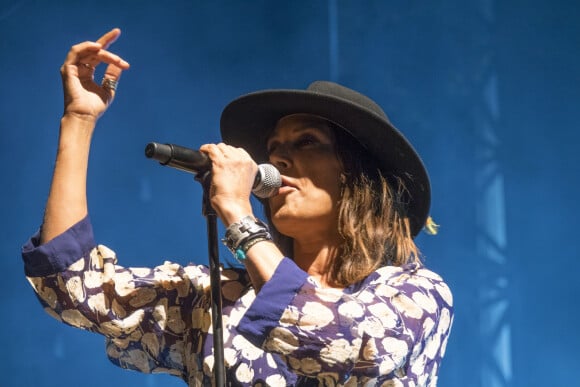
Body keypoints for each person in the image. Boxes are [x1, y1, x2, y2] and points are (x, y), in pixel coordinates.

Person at [22, 28, 453, 386]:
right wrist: (78, 121)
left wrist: (239, 215)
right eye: (273, 149)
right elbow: (71, 288)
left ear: (358, 179)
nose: (277, 160)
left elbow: (338, 343)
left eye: (306, 143)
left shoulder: (415, 296)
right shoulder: (218, 299)